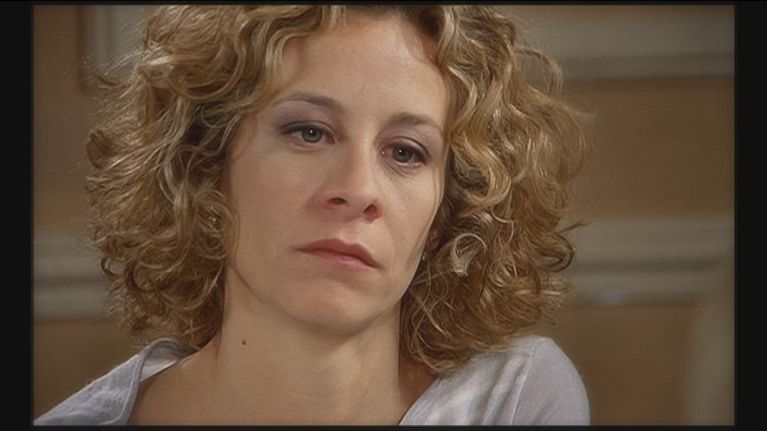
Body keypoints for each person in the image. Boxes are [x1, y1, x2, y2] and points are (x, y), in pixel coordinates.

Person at [35, 5, 589, 425]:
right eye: (308, 132)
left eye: (405, 152)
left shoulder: (515, 399)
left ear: (443, 215)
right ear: (205, 168)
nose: (357, 189)